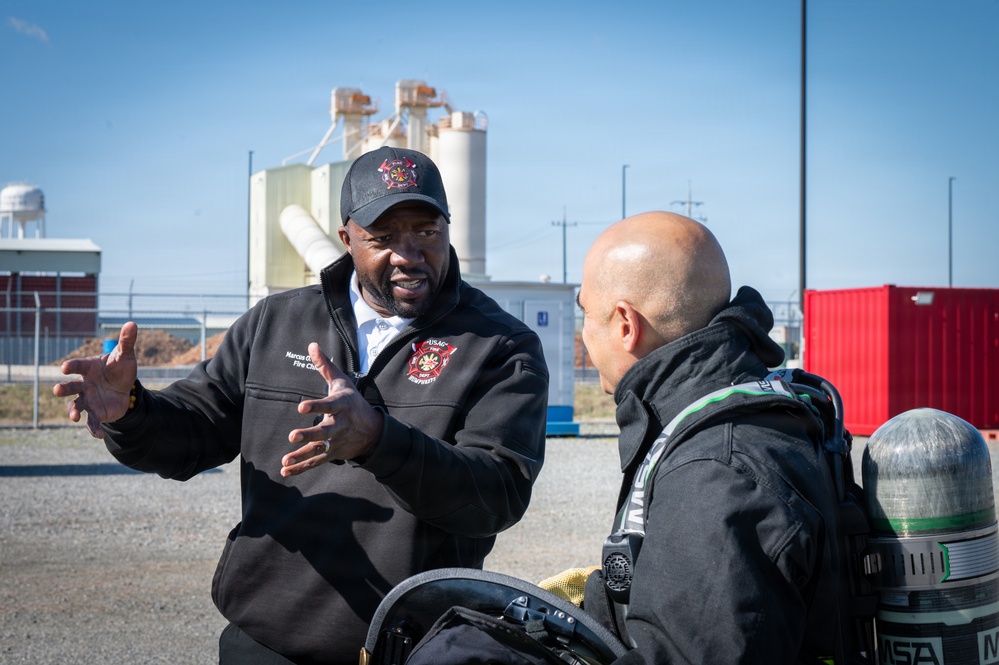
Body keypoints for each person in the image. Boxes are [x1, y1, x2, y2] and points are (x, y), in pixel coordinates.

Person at [53, 146, 550, 664]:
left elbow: (497, 493)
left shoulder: (499, 346)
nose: (408, 254)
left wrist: (379, 443)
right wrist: (129, 412)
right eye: (382, 237)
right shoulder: (275, 323)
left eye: (426, 231)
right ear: (347, 239)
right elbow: (193, 433)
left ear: (448, 227)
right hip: (266, 644)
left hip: (413, 650)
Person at [573, 211, 841, 664]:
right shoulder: (724, 414)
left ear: (625, 325)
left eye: (585, 313)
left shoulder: (718, 472)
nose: (583, 333)